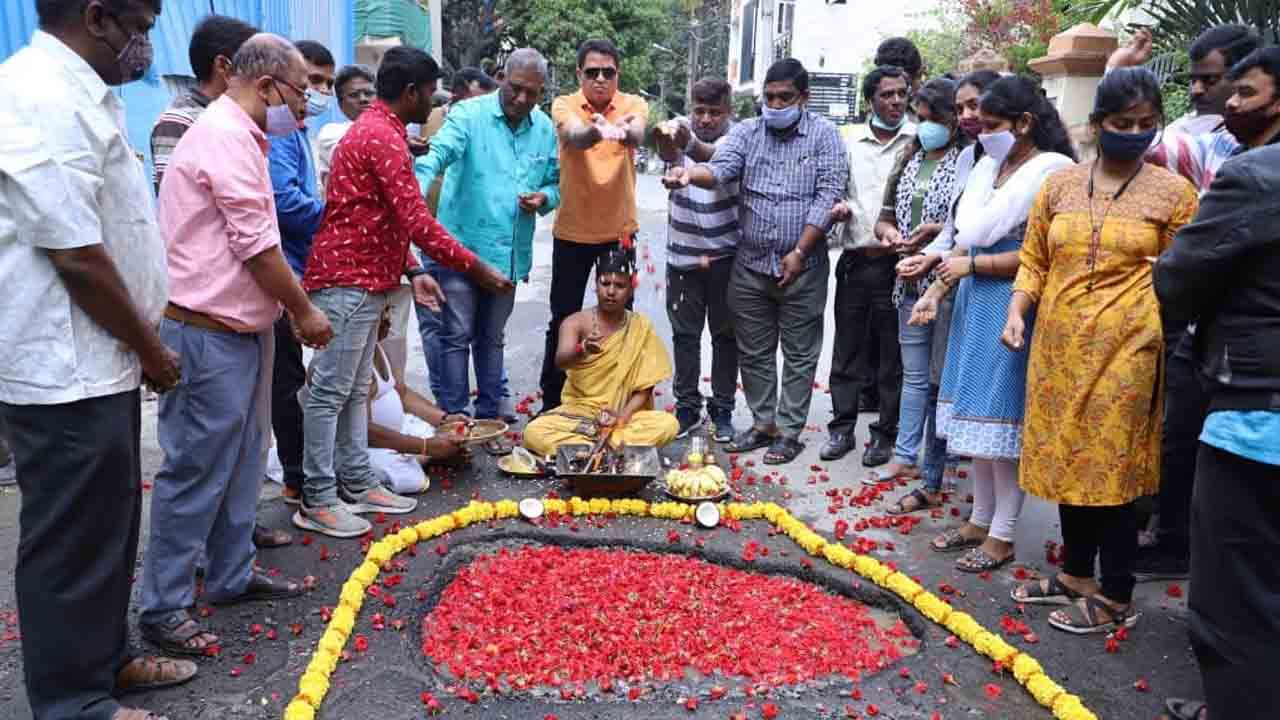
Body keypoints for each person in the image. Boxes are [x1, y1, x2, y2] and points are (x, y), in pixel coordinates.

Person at [0, 1, 197, 718]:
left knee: (109, 529)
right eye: (141, 24)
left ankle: (106, 661)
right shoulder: (38, 95)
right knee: (70, 542)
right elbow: (77, 255)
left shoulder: (84, 92)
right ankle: (71, 702)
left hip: (100, 355)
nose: (147, 42)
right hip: (63, 367)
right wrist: (152, 349)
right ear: (97, 16)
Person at [141, 32, 334, 659]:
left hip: (244, 328)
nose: (303, 110)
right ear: (265, 85)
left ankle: (229, 572)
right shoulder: (224, 137)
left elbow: (257, 243)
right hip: (207, 331)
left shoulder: (251, 136)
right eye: (299, 95)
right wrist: (304, 311)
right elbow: (256, 246)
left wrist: (289, 306)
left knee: (245, 459)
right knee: (196, 469)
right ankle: (164, 605)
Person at [1005, 69, 1198, 636]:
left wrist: (1168, 286)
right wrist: (1018, 310)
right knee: (1069, 458)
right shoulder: (1061, 185)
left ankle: (1116, 593)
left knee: (1110, 468)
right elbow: (1035, 259)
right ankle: (1076, 575)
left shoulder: (1175, 194)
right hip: (1059, 347)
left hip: (1130, 351)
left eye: (1146, 124)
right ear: (1096, 125)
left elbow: (1190, 275)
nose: (1135, 132)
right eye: (1122, 123)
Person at [297, 46, 512, 538]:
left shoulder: (384, 133)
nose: (434, 104)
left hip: (366, 278)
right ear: (411, 92)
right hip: (347, 279)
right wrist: (476, 268)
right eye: (431, 93)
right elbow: (416, 220)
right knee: (329, 393)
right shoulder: (380, 137)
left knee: (353, 391)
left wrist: (413, 270)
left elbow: (386, 220)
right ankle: (318, 497)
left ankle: (356, 481)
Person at [1106, 24, 1259, 584]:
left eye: (1211, 81)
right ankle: (1174, 540)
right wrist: (1118, 70)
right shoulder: (1205, 142)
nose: (1197, 91)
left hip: (1249, 336)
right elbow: (1131, 141)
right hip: (1197, 326)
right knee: (1179, 438)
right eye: (1193, 80)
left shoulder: (1250, 159)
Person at [1154, 46, 1280, 720]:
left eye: (1246, 90)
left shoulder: (1254, 177)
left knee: (1237, 598)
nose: (1229, 101)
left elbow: (1177, 279)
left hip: (1258, 421)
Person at [913, 75, 1076, 573]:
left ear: (1025, 123)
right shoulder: (989, 167)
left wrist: (973, 268)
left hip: (1012, 304)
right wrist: (937, 289)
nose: (981, 133)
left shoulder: (1053, 172)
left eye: (992, 125)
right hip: (974, 301)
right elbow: (968, 238)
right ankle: (979, 519)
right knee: (975, 422)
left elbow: (1042, 256)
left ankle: (1003, 534)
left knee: (1001, 423)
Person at [663, 57, 848, 465]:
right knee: (755, 351)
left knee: (799, 352)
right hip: (750, 263)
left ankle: (789, 430)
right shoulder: (748, 132)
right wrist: (689, 176)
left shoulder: (825, 136)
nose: (775, 105)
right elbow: (722, 168)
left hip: (804, 263)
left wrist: (799, 252)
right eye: (769, 97)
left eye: (785, 98)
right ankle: (763, 424)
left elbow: (829, 194)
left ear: (804, 98)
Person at [414, 49, 559, 442]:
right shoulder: (468, 115)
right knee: (456, 335)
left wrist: (544, 198)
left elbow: (555, 182)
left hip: (509, 256)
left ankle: (490, 417)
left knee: (492, 338)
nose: (523, 100)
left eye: (534, 93)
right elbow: (436, 156)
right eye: (516, 89)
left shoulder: (544, 128)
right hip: (460, 248)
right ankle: (457, 420)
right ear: (501, 77)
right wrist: (412, 194)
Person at [886, 69, 1000, 515]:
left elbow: (989, 236)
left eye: (976, 107)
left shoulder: (1040, 164)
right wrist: (933, 257)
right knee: (935, 383)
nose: (969, 117)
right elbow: (958, 229)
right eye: (962, 109)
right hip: (948, 276)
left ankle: (992, 519)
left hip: (992, 288)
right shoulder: (974, 160)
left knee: (981, 396)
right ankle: (934, 481)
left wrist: (943, 262)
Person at [861, 78, 966, 489]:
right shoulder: (910, 155)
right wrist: (891, 236)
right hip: (906, 281)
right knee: (914, 375)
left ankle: (940, 462)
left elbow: (966, 225)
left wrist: (934, 234)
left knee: (942, 378)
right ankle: (905, 456)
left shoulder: (966, 161)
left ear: (951, 119)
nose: (924, 126)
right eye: (918, 118)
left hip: (949, 283)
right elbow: (884, 217)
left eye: (931, 118)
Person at [540, 38, 649, 411]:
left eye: (608, 72)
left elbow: (637, 133)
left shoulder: (633, 104)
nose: (600, 79)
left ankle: (619, 399)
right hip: (571, 232)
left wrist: (621, 130)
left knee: (621, 321)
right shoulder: (565, 104)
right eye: (592, 72)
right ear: (579, 74)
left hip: (619, 234)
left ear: (618, 74)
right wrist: (596, 131)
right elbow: (573, 133)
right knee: (562, 319)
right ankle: (552, 401)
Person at [823, 65, 915, 464]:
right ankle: (841, 430)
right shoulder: (848, 143)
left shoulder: (917, 142)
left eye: (901, 94)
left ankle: (884, 435)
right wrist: (837, 210)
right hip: (856, 261)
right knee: (847, 351)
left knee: (891, 357)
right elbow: (834, 188)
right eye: (886, 95)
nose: (895, 102)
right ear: (870, 101)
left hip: (898, 265)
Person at [653, 77, 741, 443]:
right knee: (685, 336)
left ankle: (722, 410)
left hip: (725, 255)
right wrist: (664, 137)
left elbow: (711, 160)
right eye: (699, 111)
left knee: (725, 337)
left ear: (728, 112)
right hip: (683, 256)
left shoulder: (737, 140)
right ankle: (687, 408)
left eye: (714, 112)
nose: (705, 118)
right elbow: (666, 151)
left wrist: (687, 151)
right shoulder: (681, 131)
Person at [523, 250, 679, 456]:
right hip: (580, 415)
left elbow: (645, 389)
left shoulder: (640, 326)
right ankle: (610, 448)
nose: (611, 292)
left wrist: (621, 417)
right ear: (595, 286)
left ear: (631, 289)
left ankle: (587, 450)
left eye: (620, 286)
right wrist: (582, 350)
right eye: (605, 284)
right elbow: (561, 361)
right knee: (534, 432)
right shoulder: (576, 322)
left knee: (668, 423)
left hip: (623, 416)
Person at [268, 39, 334, 510]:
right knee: (288, 383)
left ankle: (301, 475)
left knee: (290, 379)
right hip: (280, 274)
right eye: (312, 81)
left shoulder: (296, 128)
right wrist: (334, 214)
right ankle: (300, 479)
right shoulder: (279, 132)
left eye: (325, 83)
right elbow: (283, 202)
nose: (317, 92)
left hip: (296, 267)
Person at [415, 67, 501, 408]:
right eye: (477, 101)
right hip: (434, 236)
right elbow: (419, 167)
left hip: (474, 238)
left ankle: (490, 400)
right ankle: (449, 405)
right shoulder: (427, 120)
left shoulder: (492, 127)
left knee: (482, 332)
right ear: (458, 97)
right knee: (443, 329)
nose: (483, 110)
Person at [150, 13, 256, 193]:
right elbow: (176, 202)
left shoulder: (236, 118)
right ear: (223, 66)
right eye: (252, 62)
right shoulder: (177, 122)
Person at [315, 63, 375, 191]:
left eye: (369, 93)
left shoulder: (390, 133)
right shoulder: (330, 133)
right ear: (341, 104)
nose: (363, 99)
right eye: (354, 95)